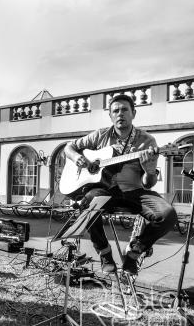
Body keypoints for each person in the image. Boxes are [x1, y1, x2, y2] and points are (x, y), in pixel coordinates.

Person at [64, 93, 177, 275]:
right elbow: (68, 147)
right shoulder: (100, 136)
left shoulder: (147, 141)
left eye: (125, 109)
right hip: (105, 191)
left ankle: (134, 251)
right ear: (110, 116)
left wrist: (148, 170)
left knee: (168, 215)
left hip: (135, 192)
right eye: (115, 111)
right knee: (87, 204)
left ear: (133, 113)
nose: (120, 114)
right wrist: (77, 157)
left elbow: (148, 184)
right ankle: (104, 253)